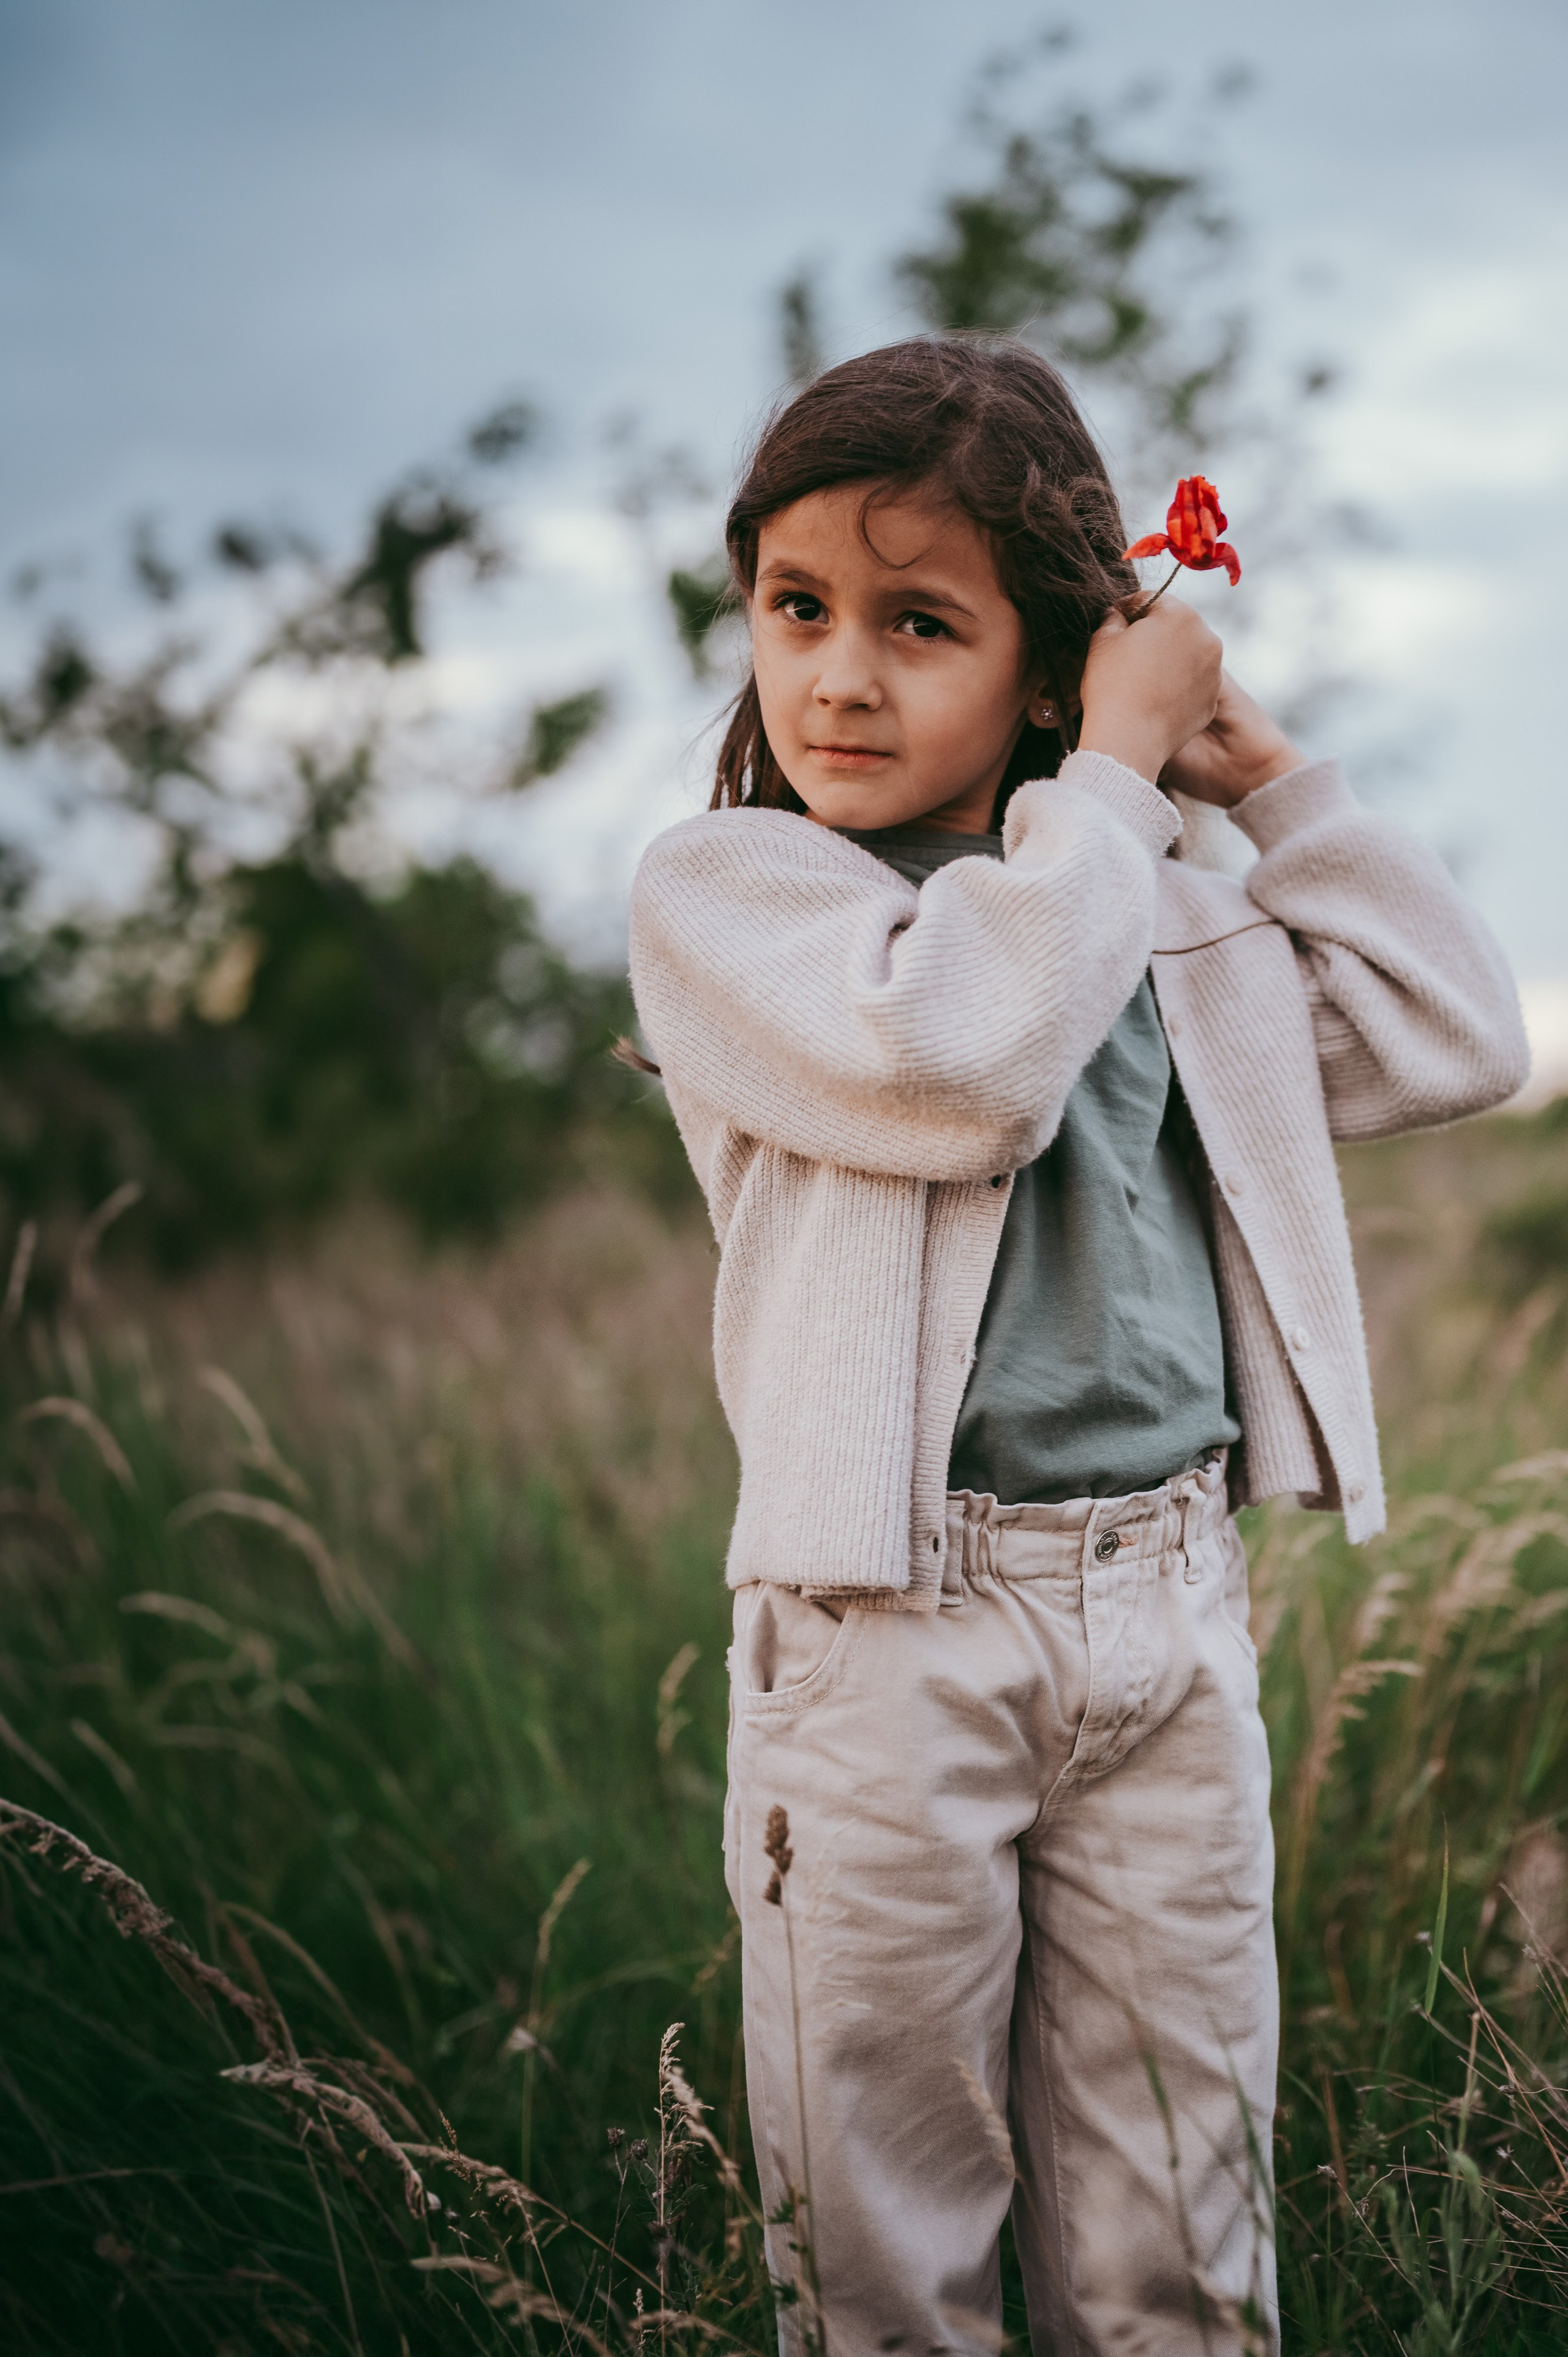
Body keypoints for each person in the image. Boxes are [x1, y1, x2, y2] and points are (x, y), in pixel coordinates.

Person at [627, 337, 1528, 2357]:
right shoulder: (742, 897)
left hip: (1166, 1611)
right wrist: (1109, 782)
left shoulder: (1160, 915)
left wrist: (1269, 785)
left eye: (918, 623)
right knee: (889, 2263)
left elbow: (1460, 1030)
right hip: (892, 1633)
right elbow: (973, 1055)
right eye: (798, 610)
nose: (839, 677)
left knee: (1180, 2250)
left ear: (1044, 665)